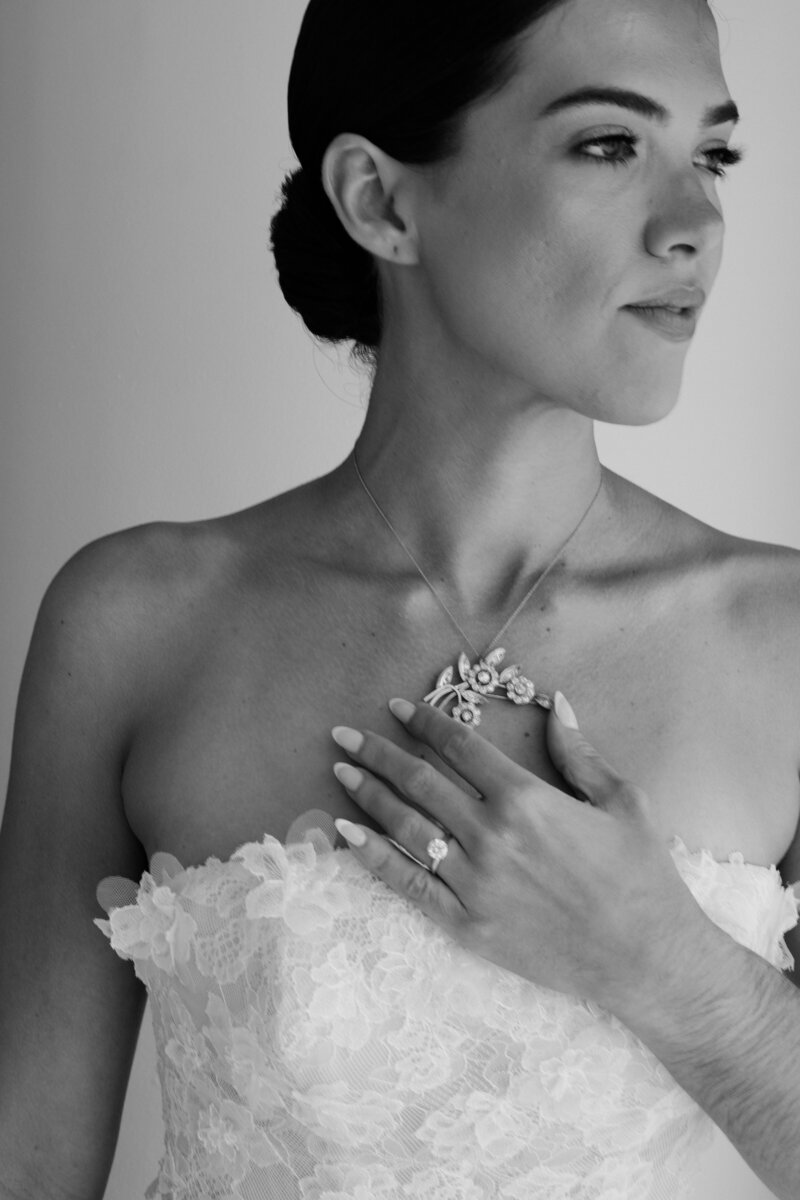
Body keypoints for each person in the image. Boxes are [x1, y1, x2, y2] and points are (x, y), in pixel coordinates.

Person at [1, 0, 799, 1197]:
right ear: (380, 199)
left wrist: (670, 968)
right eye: (606, 145)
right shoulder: (132, 623)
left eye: (713, 155)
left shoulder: (780, 637)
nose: (694, 226)